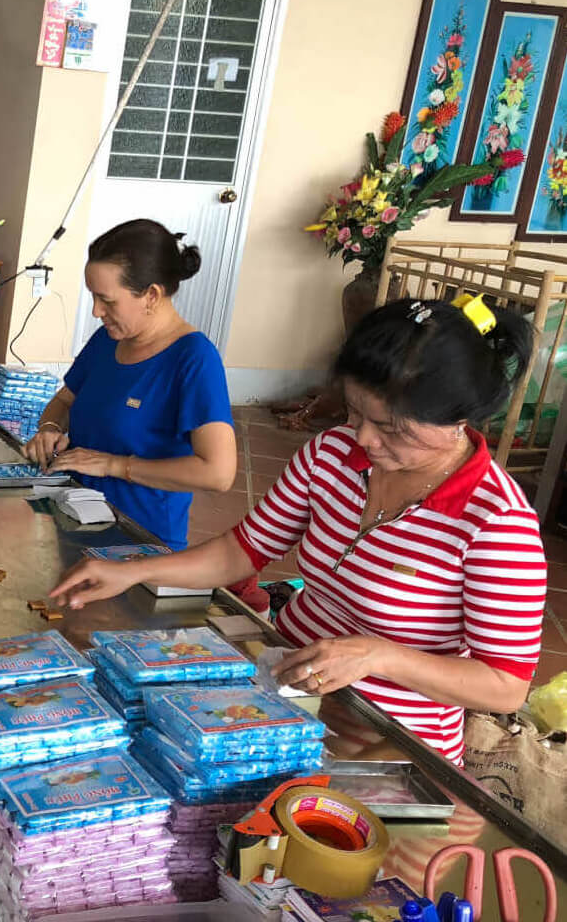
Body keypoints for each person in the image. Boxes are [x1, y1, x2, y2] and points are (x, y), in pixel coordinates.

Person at [51, 296, 549, 766]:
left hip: (389, 738)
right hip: (282, 693)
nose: (365, 439)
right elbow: (243, 550)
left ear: (458, 419)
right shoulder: (331, 455)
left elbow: (504, 685)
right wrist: (134, 571)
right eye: (355, 413)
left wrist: (375, 655)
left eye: (392, 428)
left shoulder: (495, 521)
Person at [23, 219, 236, 550]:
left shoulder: (194, 359)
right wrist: (49, 427)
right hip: (76, 518)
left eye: (107, 301)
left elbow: (218, 473)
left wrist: (115, 466)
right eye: (93, 297)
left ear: (151, 295)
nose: (96, 311)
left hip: (137, 541)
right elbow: (64, 401)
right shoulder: (109, 340)